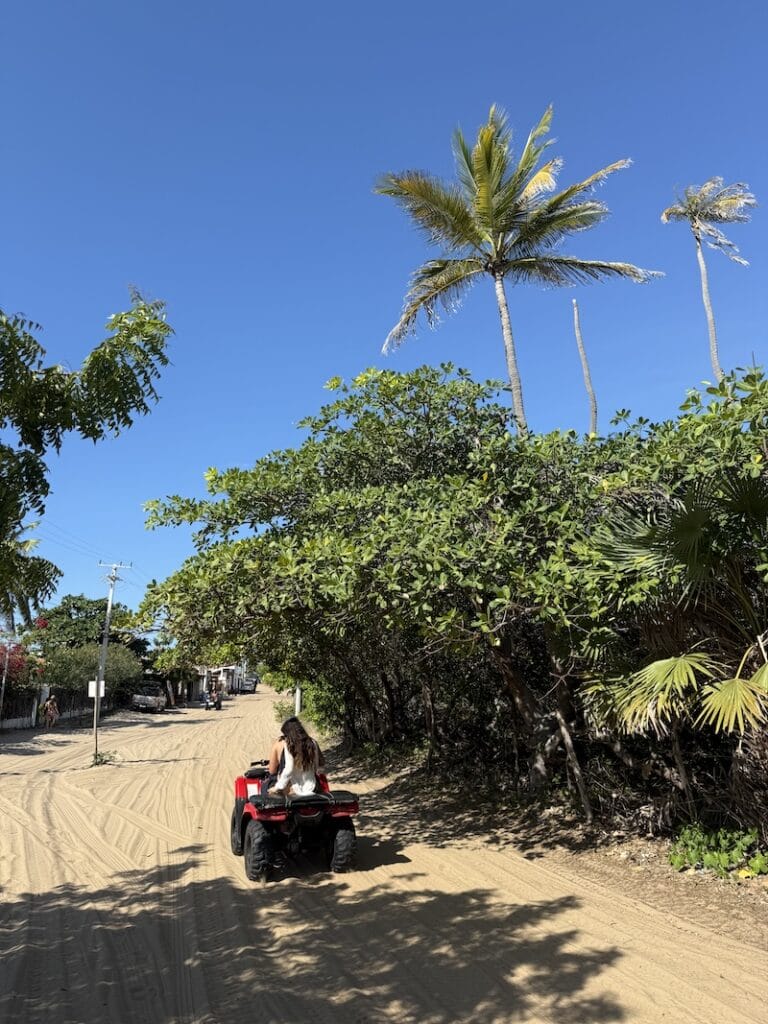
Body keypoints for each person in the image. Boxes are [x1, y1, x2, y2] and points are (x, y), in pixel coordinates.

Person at [268, 717, 325, 796]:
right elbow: (319, 766)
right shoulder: (312, 742)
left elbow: (288, 769)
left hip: (293, 788)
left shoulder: (288, 745)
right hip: (311, 786)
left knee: (266, 788)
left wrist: (278, 787)